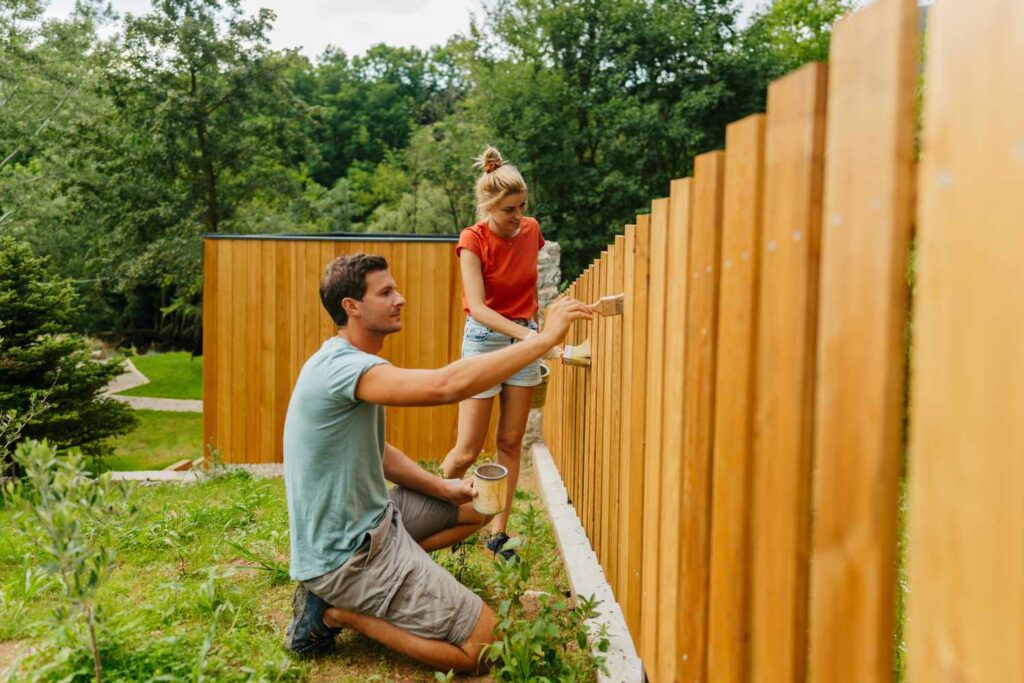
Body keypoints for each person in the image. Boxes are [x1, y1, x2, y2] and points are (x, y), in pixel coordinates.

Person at [283, 252, 591, 673]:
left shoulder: (346, 361)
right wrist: (542, 340)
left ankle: (394, 579)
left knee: (479, 505)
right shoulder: (341, 369)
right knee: (486, 645)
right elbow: (445, 386)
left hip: (377, 522)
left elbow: (378, 450)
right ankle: (334, 612)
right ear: (351, 307)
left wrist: (440, 487)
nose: (401, 299)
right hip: (348, 556)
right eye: (385, 292)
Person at [440, 146, 547, 562]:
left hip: (524, 340)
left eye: (522, 207)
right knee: (467, 450)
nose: (518, 216)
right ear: (488, 206)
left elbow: (527, 287)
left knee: (510, 442)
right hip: (485, 342)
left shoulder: (531, 231)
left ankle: (498, 536)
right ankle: (424, 514)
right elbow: (479, 307)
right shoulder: (473, 239)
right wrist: (528, 336)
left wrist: (532, 330)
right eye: (508, 210)